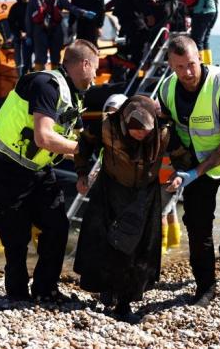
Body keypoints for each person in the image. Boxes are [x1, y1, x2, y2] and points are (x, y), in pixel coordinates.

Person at [0, 39, 100, 302]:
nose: (96, 76)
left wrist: (82, 172)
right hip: (5, 166)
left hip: (38, 169)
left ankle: (46, 289)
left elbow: (76, 137)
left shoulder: (74, 97)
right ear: (85, 64)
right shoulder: (46, 85)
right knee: (16, 237)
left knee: (57, 225)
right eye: (95, 69)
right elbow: (44, 138)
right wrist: (80, 149)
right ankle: (17, 294)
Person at [159, 35, 220, 307]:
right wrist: (176, 165)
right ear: (170, 65)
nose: (187, 72)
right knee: (198, 227)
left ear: (201, 58)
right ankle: (206, 286)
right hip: (194, 162)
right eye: (179, 67)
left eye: (191, 64)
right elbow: (167, 129)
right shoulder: (166, 89)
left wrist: (196, 172)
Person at [73, 95, 169, 321]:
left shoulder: (164, 133)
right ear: (125, 122)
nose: (140, 134)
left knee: (136, 248)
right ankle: (107, 288)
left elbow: (182, 154)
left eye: (145, 130)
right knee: (105, 243)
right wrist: (81, 173)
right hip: (110, 190)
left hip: (144, 195)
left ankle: (125, 303)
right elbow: (84, 145)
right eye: (135, 130)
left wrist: (181, 174)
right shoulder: (107, 125)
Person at [25, 0, 96, 72]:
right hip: (40, 30)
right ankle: (40, 79)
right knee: (40, 58)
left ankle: (56, 79)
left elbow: (70, 7)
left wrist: (83, 12)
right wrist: (29, 35)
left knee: (56, 57)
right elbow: (28, 18)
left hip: (55, 29)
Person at [8, 0, 32, 75]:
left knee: (33, 62)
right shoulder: (15, 8)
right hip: (20, 39)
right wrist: (19, 33)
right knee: (20, 62)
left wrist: (29, 33)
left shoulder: (34, 5)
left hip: (33, 38)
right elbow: (11, 23)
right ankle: (21, 80)